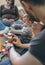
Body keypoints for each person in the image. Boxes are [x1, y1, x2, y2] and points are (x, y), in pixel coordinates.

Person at [0, 0, 45, 65]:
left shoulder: (41, 37)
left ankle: (6, 29)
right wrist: (21, 45)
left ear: (25, 5)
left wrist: (10, 47)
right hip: (6, 22)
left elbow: (19, 63)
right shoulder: (40, 35)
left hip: (14, 24)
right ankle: (6, 29)